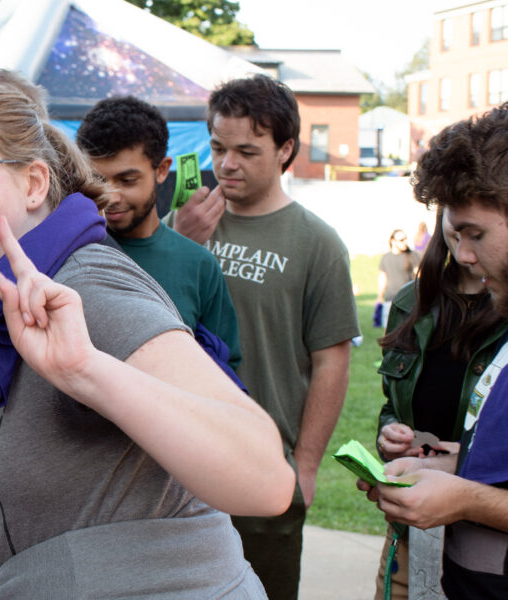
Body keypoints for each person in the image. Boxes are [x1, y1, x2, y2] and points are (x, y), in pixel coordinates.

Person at [0, 79, 295, 598]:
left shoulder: (87, 287)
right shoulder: (4, 310)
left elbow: (267, 480)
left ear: (34, 183)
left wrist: (86, 370)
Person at [165, 74, 360, 600]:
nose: (226, 164)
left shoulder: (317, 243)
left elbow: (332, 360)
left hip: (264, 469)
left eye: (247, 151)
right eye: (218, 148)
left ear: (285, 150)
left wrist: (306, 468)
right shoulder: (183, 222)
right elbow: (146, 316)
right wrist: (181, 242)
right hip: (178, 461)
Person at [362, 103, 508, 599]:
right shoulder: (417, 302)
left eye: (476, 234)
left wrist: (465, 497)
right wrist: (438, 463)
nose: (462, 254)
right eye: (454, 230)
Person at [76, 95, 241, 369]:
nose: (111, 196)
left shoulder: (199, 266)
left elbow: (224, 369)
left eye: (127, 180)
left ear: (162, 170)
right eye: (97, 180)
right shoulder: (70, 253)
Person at [376, 229, 420, 325]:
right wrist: (379, 297)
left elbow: (419, 276)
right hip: (390, 300)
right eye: (401, 240)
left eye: (405, 239)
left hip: (408, 301)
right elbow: (383, 278)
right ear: (393, 241)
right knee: (389, 330)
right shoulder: (386, 257)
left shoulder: (412, 255)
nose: (405, 242)